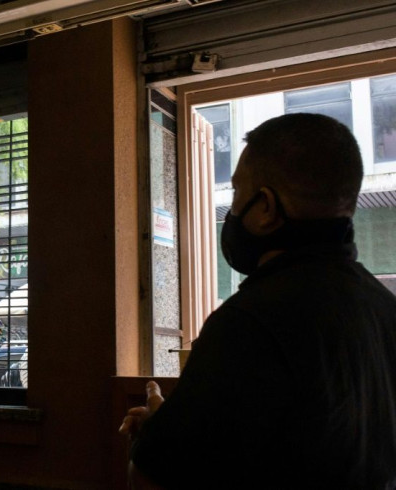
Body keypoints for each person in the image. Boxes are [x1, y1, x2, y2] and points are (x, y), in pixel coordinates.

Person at [120, 113, 396, 489]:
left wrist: (153, 435)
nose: (233, 208)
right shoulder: (383, 307)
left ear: (265, 207)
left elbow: (154, 479)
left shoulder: (248, 322)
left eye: (236, 193)